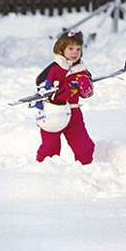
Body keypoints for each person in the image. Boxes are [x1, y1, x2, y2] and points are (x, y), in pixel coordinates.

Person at [36, 29, 95, 164]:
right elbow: (42, 86)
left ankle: (86, 170)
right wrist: (61, 89)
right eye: (71, 48)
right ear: (61, 49)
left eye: (78, 49)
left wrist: (85, 85)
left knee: (84, 147)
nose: (75, 52)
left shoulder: (82, 70)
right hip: (53, 114)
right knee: (50, 150)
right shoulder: (54, 68)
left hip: (74, 114)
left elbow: (87, 93)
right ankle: (44, 173)